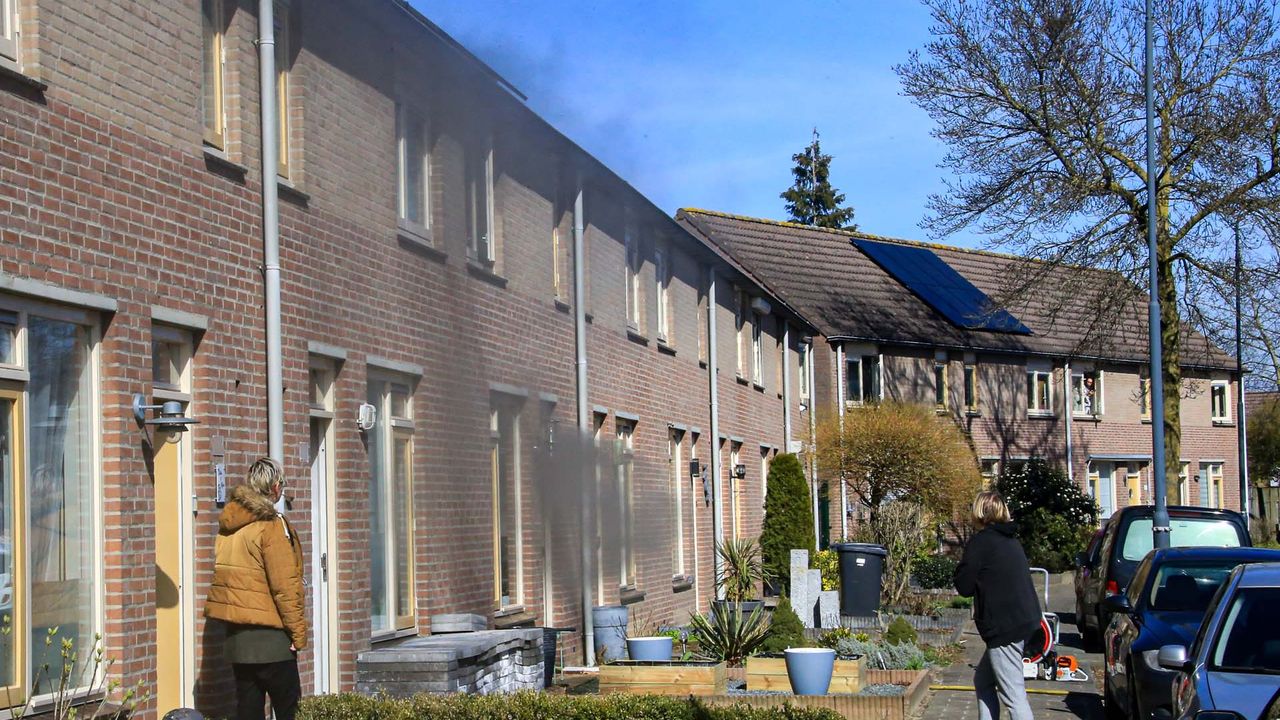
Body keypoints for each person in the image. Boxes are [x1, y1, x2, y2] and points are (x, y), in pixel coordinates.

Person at [205, 458, 307, 720]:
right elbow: (285, 586)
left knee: (248, 711)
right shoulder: (271, 526)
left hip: (238, 641)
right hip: (272, 641)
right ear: (275, 487)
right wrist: (298, 635)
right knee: (289, 711)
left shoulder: (229, 526)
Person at [953, 490, 1041, 720]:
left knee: (1014, 696)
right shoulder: (1010, 539)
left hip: (1004, 628)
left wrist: (961, 568)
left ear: (979, 513)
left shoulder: (981, 543)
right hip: (1025, 620)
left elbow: (964, 586)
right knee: (983, 681)